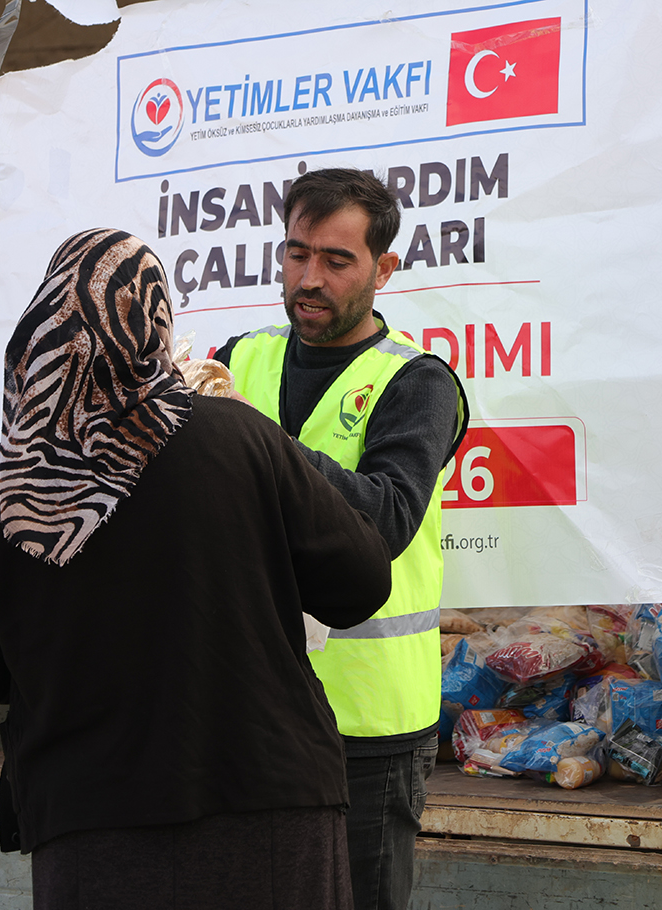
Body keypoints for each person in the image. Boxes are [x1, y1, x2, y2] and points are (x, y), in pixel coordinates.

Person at [0, 228, 392, 910]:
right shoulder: (241, 438)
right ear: (156, 325)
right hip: (272, 811)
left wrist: (41, 656)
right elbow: (360, 584)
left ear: (46, 326)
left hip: (92, 826)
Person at [214, 168, 468, 910]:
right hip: (249, 704)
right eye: (296, 254)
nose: (308, 279)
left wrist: (253, 439)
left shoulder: (416, 382)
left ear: (384, 269)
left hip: (368, 725)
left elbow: (383, 521)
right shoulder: (237, 360)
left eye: (335, 260)